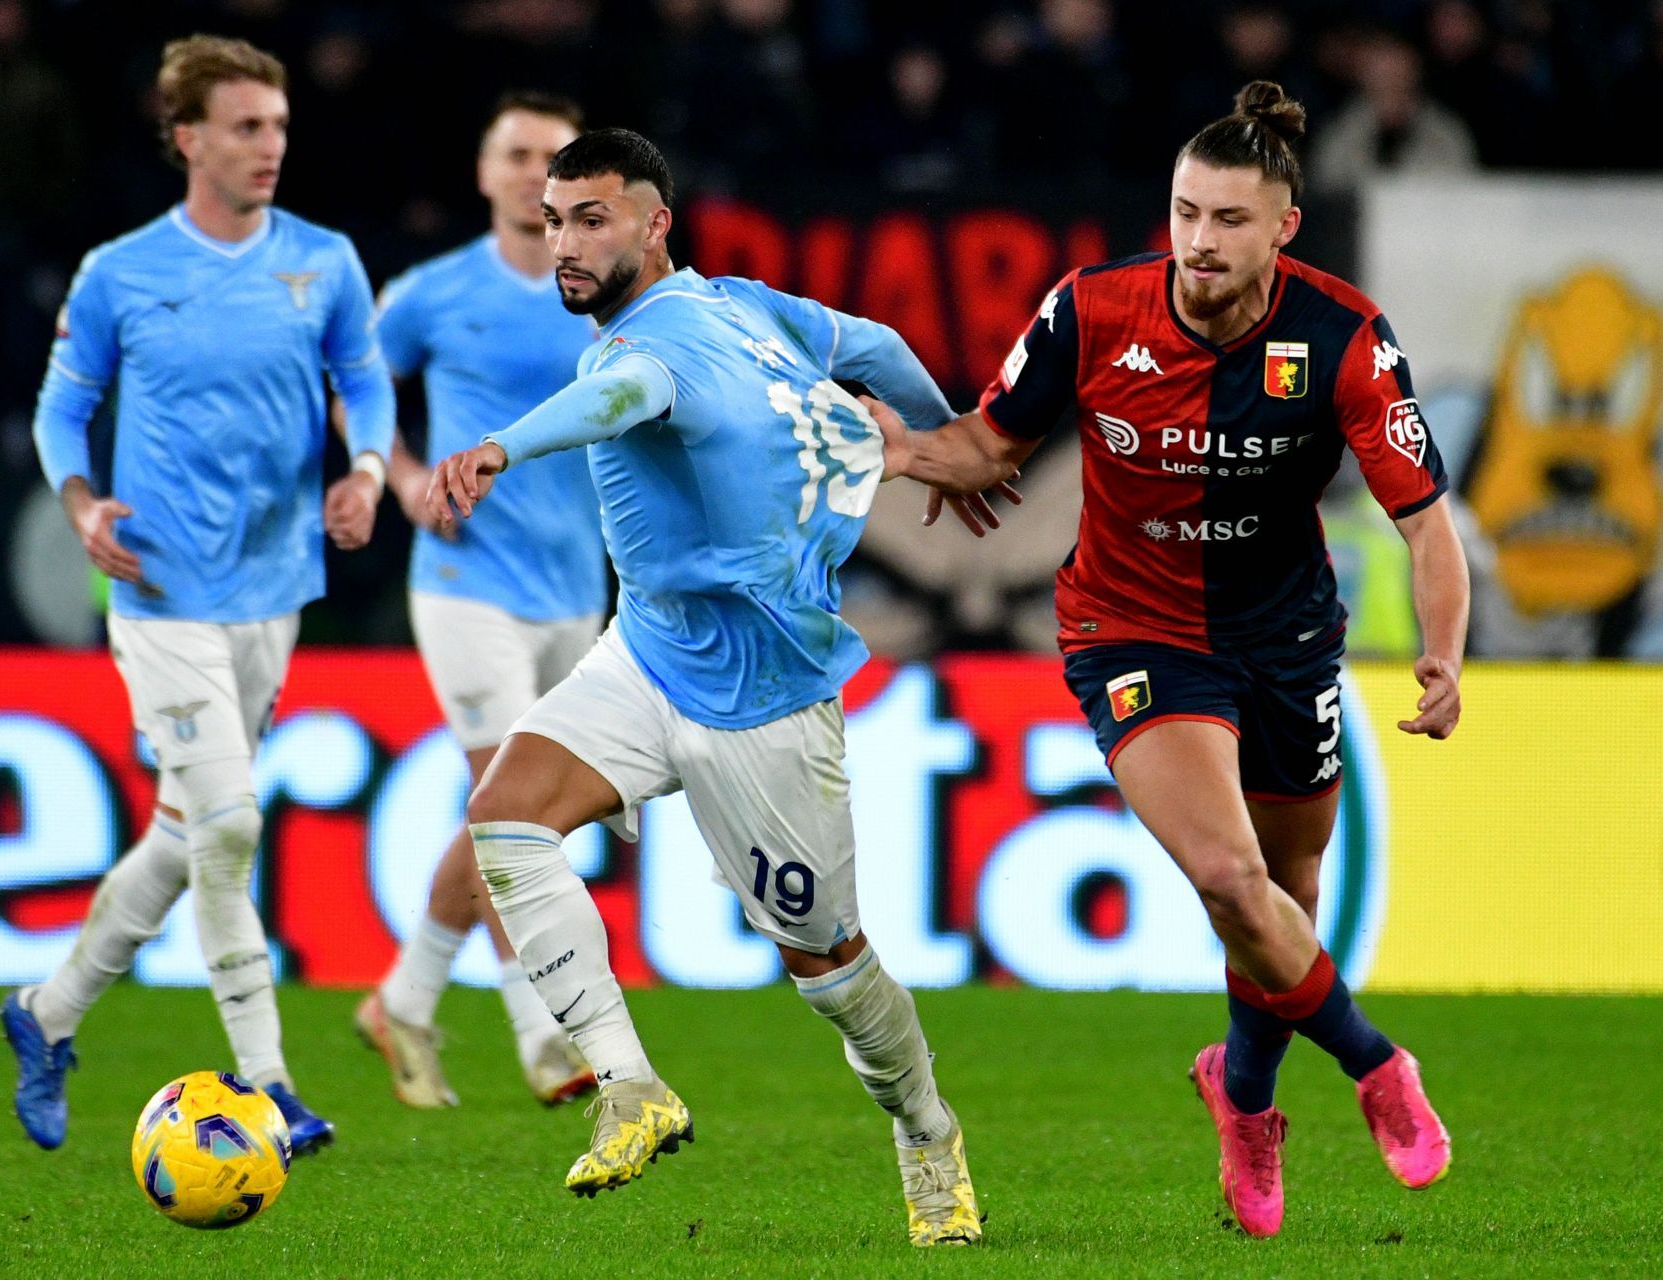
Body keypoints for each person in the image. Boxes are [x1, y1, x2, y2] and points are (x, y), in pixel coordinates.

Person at [873, 82, 1465, 1238]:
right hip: (1134, 631)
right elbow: (993, 440)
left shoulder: (1342, 333)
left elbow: (1427, 525)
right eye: (1187, 212)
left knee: (1284, 901)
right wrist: (901, 453)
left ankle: (1241, 1095)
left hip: (1287, 638)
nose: (1199, 239)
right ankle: (1378, 1065)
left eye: (1229, 220)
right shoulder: (1096, 309)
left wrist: (1442, 656)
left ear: (1283, 228)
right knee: (1232, 881)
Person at [422, 128, 988, 1247]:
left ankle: (927, 1131)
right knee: (504, 818)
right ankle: (628, 1083)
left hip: (762, 697)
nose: (566, 246)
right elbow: (869, 343)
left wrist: (499, 447)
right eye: (553, 222)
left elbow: (623, 396)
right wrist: (947, 435)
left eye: (592, 219)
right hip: (646, 652)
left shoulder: (642, 350)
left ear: (653, 221)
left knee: (827, 965)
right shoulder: (753, 305)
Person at [2, 34, 395, 1158]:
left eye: (276, 127)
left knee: (184, 833)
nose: (269, 146)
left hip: (278, 588)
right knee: (229, 824)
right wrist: (80, 504)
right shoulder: (119, 271)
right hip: (161, 588)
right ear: (187, 138)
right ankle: (267, 1083)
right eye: (244, 127)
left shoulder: (324, 261)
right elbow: (60, 410)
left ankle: (46, 1012)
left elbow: (363, 382)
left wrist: (367, 471)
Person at [355, 91, 602, 1110]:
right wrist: (402, 473)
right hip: (466, 583)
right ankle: (541, 1031)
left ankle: (402, 997)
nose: (529, 169)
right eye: (515, 151)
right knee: (508, 805)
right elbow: (354, 377)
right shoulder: (435, 291)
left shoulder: (609, 291)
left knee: (525, 813)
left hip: (576, 584)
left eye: (551, 155)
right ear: (486, 171)